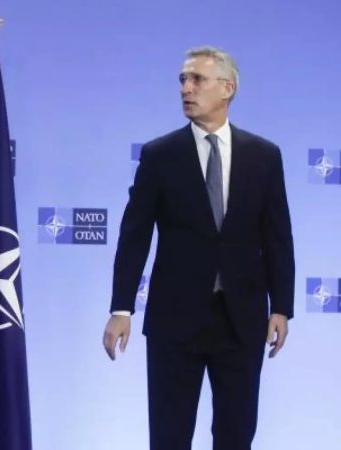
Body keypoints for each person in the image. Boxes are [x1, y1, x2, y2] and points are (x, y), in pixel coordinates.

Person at [102, 46, 294, 450]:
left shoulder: (264, 156)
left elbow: (277, 236)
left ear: (228, 89)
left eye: (197, 80)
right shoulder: (159, 155)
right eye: (182, 80)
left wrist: (281, 307)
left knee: (236, 436)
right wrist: (121, 308)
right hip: (175, 321)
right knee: (169, 437)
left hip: (241, 320)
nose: (186, 89)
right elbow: (134, 234)